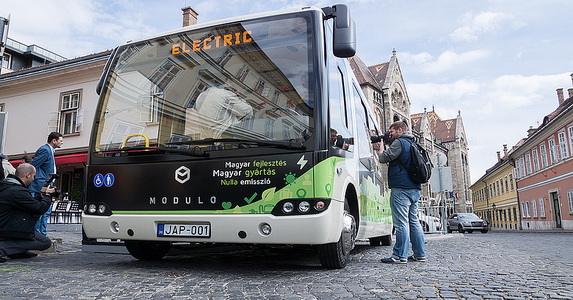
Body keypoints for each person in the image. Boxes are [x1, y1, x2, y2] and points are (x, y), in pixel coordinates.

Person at [377, 121, 426, 264]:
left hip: (401, 188)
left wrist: (381, 148)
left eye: (391, 131)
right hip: (414, 188)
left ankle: (399, 256)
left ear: (399, 130)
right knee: (414, 221)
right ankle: (419, 254)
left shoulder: (399, 142)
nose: (389, 134)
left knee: (401, 223)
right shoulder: (413, 143)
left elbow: (383, 158)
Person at [0, 164, 54, 263]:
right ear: (27, 175)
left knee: (43, 241)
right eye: (34, 176)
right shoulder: (17, 191)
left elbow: (26, 203)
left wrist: (40, 197)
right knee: (44, 242)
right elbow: (38, 209)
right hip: (8, 228)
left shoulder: (8, 186)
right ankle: (2, 248)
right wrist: (47, 196)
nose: (34, 179)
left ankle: (17, 252)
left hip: (8, 224)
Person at [29, 132, 63, 235]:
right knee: (41, 209)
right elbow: (34, 165)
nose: (62, 143)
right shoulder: (45, 150)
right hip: (42, 184)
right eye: (60, 141)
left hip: (46, 183)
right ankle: (38, 234)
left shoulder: (49, 151)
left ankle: (41, 234)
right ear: (54, 140)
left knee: (46, 210)